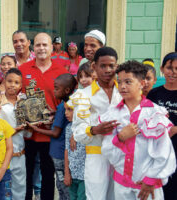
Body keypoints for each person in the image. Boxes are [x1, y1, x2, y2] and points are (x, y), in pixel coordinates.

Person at [101, 60, 176, 200]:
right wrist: (120, 138)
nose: (122, 86)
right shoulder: (113, 113)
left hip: (147, 184)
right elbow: (107, 149)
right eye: (120, 81)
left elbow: (164, 151)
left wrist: (150, 180)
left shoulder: (154, 113)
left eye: (128, 82)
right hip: (122, 183)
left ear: (142, 83)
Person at [19, 32, 68, 200]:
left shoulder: (61, 71)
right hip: (28, 133)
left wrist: (58, 114)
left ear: (51, 47)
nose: (41, 48)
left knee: (48, 175)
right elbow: (14, 97)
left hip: (51, 133)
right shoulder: (23, 70)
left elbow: (68, 101)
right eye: (38, 45)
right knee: (26, 174)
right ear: (33, 46)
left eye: (45, 45)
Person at [71, 47, 121, 200]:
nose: (107, 70)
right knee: (95, 197)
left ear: (116, 67)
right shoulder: (84, 95)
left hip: (122, 156)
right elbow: (78, 131)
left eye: (111, 66)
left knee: (120, 196)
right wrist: (94, 130)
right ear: (94, 67)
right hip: (96, 155)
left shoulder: (124, 92)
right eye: (103, 66)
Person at [27, 73, 77, 200]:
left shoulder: (62, 107)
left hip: (59, 153)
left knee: (62, 186)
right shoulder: (68, 105)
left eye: (56, 88)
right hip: (62, 151)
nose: (53, 91)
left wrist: (36, 129)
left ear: (66, 90)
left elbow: (56, 133)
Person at [147, 52, 177, 200]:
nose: (173, 72)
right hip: (158, 150)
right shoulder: (153, 94)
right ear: (162, 69)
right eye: (169, 67)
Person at [0, 68, 29, 199]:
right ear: (4, 82)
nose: (12, 85)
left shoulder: (23, 102)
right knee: (2, 187)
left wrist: (31, 126)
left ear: (21, 85)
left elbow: (27, 134)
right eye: (9, 81)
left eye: (16, 82)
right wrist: (17, 129)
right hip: (2, 154)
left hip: (20, 153)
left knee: (20, 187)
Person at [64, 99, 86, 200]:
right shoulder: (68, 128)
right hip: (72, 173)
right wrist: (67, 173)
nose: (66, 113)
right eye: (65, 110)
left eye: (70, 109)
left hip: (84, 176)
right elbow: (67, 150)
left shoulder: (87, 128)